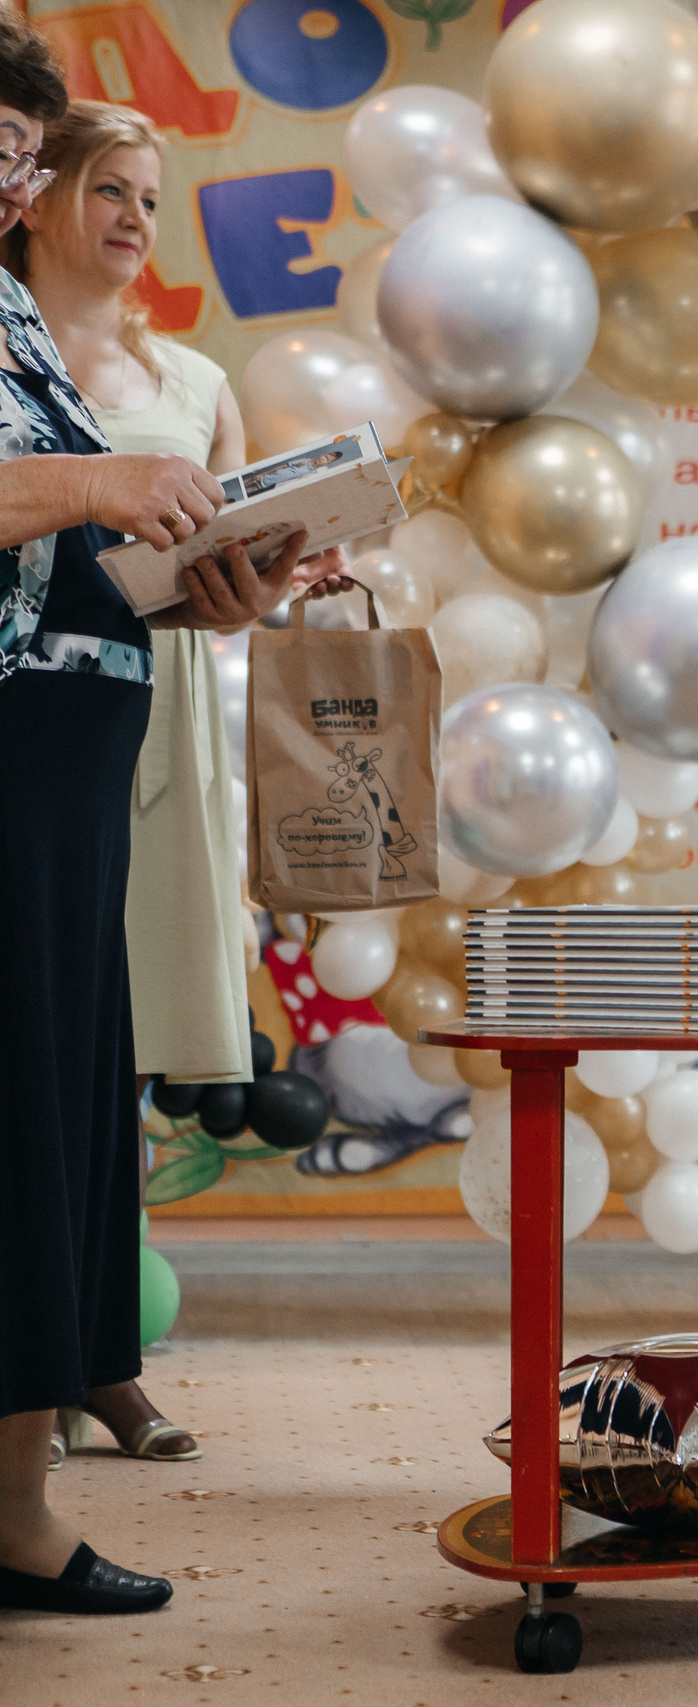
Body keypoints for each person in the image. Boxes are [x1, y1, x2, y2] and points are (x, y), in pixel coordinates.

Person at [0, 19, 342, 1615]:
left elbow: (77, 563)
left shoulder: (17, 318)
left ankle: (19, 1502)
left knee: (54, 1119)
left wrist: (224, 578)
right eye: (5, 158)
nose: (14, 186)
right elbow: (59, 502)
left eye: (22, 157)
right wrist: (97, 486)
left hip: (73, 751)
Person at [8, 99, 253, 1473]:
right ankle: (43, 1376)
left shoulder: (167, 371)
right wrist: (99, 484)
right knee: (41, 1057)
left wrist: (239, 583)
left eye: (153, 198)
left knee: (95, 1051)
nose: (134, 218)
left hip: (119, 714)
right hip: (28, 717)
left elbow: (139, 572)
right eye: (108, 186)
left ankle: (93, 1355)